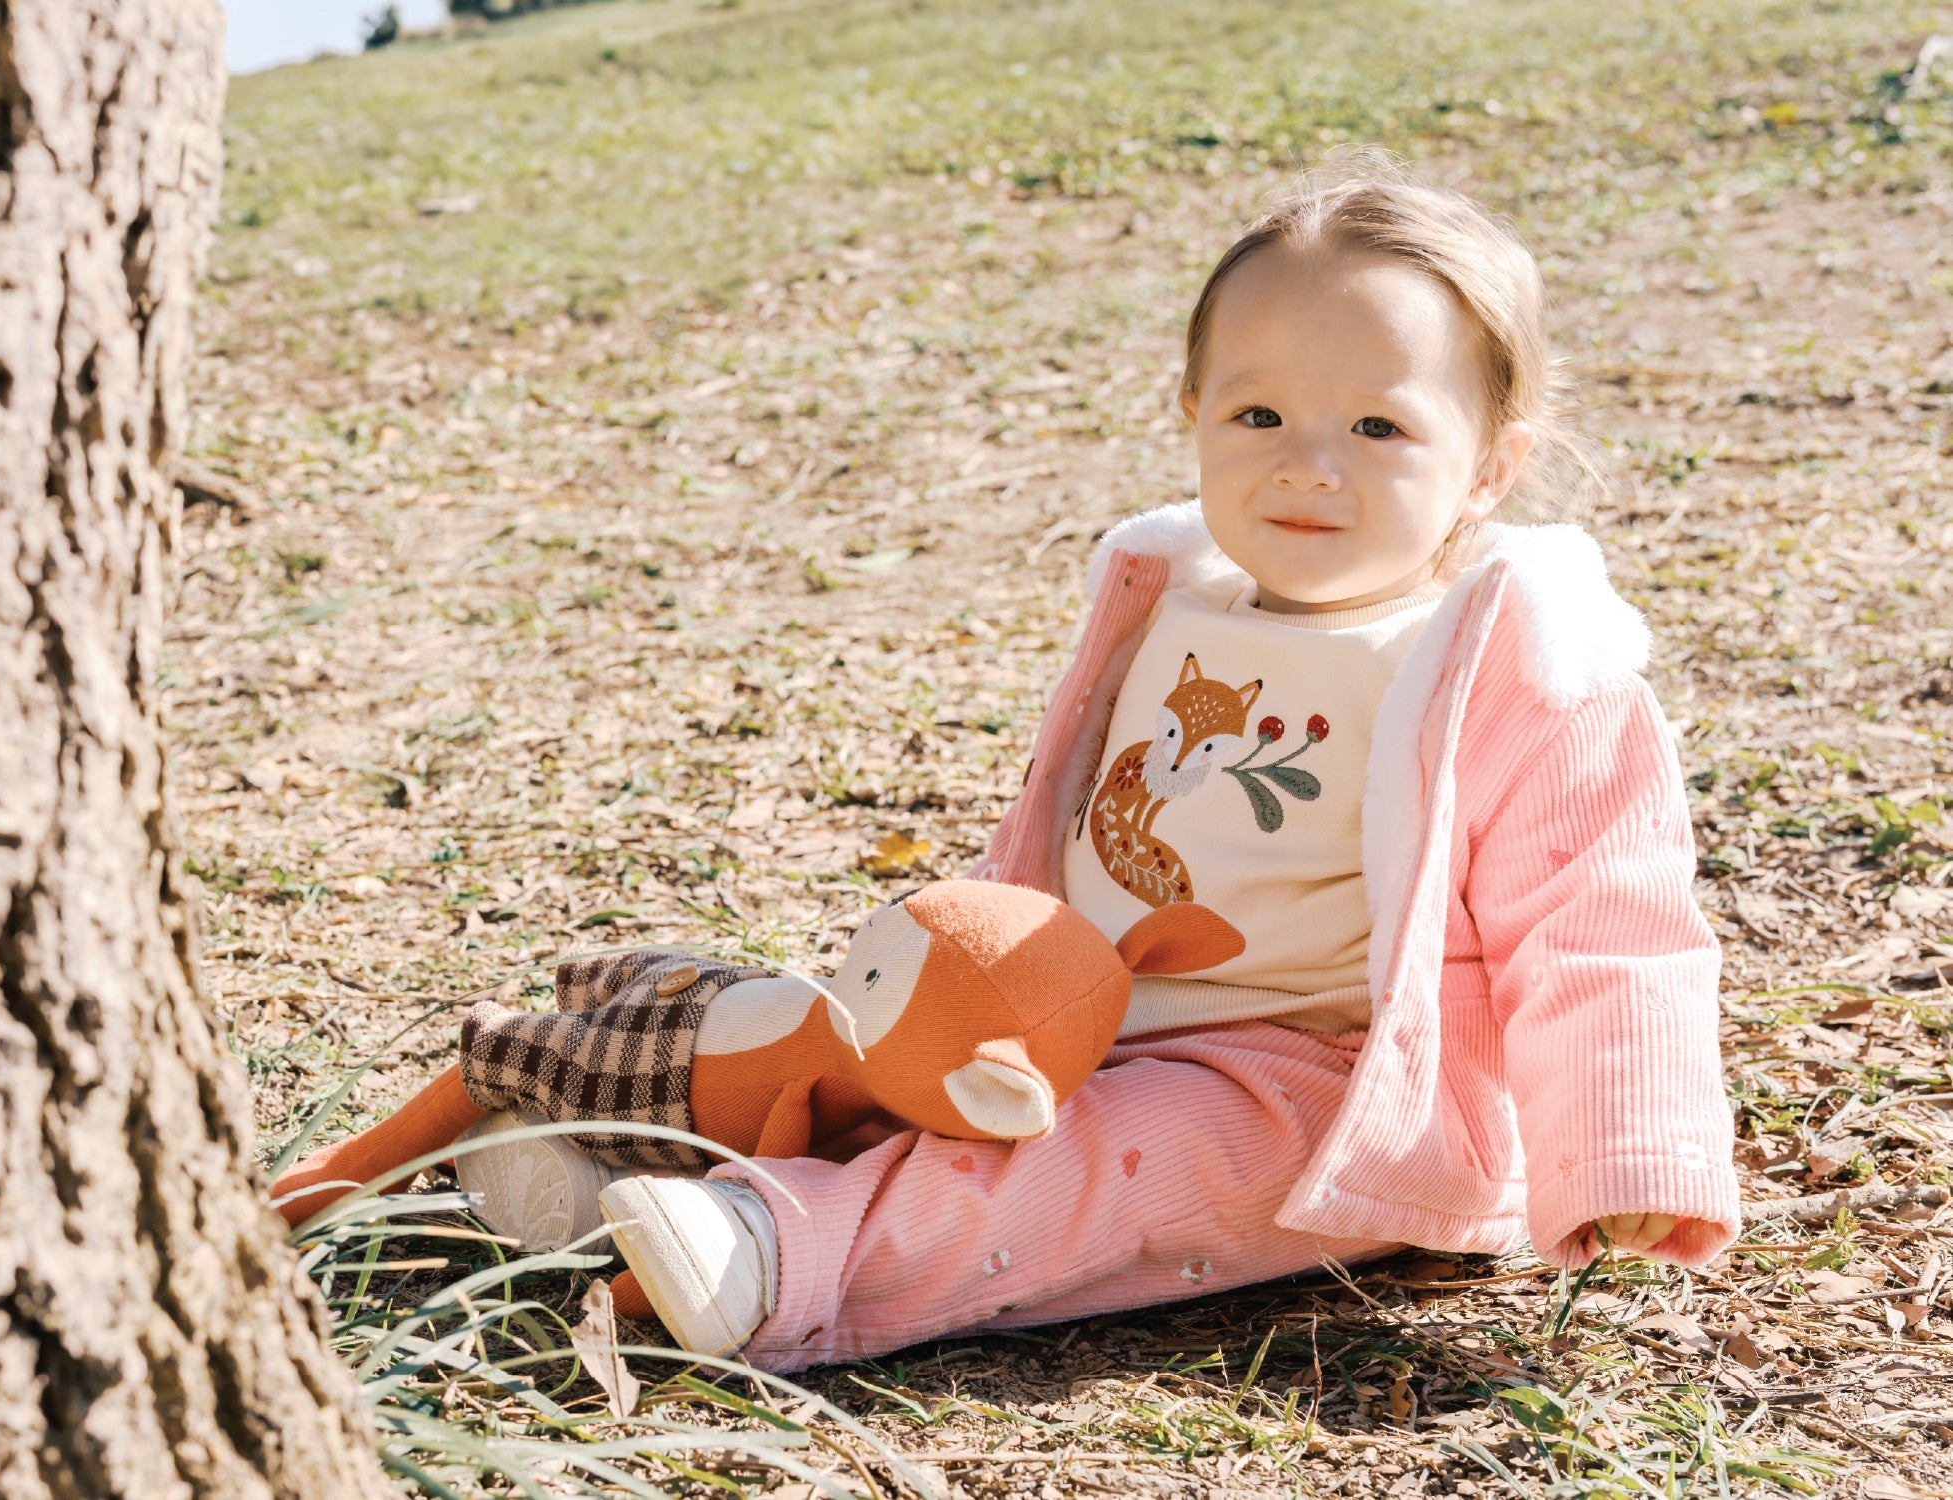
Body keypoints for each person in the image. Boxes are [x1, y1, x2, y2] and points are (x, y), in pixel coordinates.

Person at [591, 157, 1740, 1370]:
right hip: (1076, 1016)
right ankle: (601, 1164)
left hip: (1314, 1080)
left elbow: (1601, 926)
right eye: (1259, 416)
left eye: (1379, 427)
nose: (1308, 464)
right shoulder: (1166, 600)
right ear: (1192, 409)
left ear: (1492, 465)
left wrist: (1627, 1151)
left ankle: (781, 1249)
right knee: (843, 1055)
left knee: (1104, 1166)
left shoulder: (1515, 666)